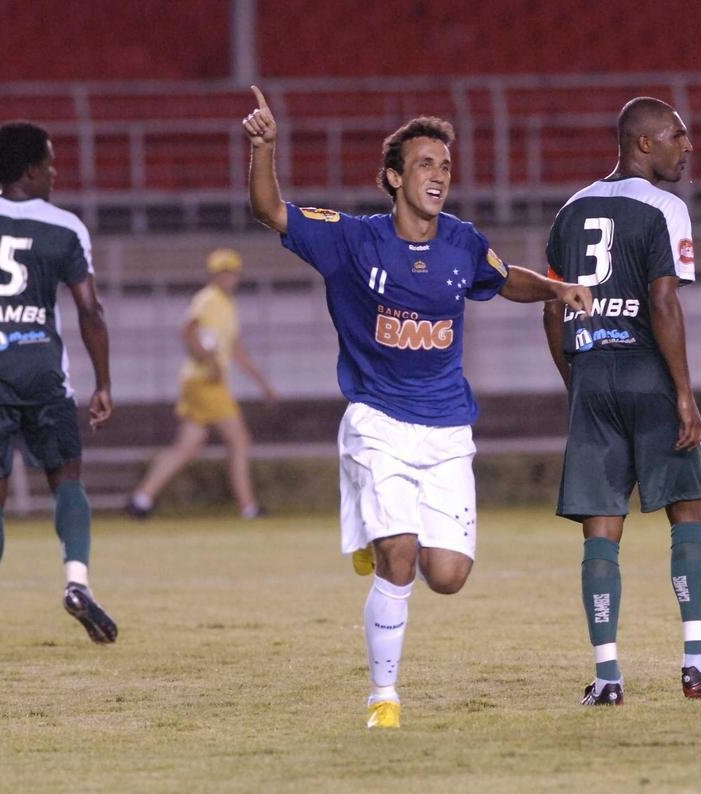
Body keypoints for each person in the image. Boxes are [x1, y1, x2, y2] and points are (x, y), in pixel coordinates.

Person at [243, 86, 590, 729]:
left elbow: (502, 276)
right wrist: (264, 147)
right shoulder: (352, 240)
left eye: (446, 166)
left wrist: (557, 287)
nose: (439, 175)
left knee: (449, 576)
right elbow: (271, 210)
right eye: (426, 164)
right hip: (377, 420)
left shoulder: (461, 243)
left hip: (447, 428)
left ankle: (377, 539)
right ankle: (384, 697)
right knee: (399, 556)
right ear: (395, 177)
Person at [542, 97, 701, 705]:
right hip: (648, 374)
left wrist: (576, 382)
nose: (689, 146)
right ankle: (697, 664)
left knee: (602, 528)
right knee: (688, 510)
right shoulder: (664, 207)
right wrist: (684, 393)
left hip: (592, 371)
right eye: (678, 136)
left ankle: (607, 678)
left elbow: (554, 307)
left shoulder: (570, 209)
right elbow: (663, 303)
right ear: (644, 144)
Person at [0, 120, 118, 650]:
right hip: (46, 378)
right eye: (50, 162)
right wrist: (102, 382)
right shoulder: (65, 227)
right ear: (31, 169)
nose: (55, 171)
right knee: (68, 482)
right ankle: (77, 581)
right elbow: (89, 310)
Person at [126, 247, 277, 519]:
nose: (228, 278)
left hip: (199, 381)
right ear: (214, 275)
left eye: (231, 272)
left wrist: (262, 383)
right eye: (223, 273)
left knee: (187, 448)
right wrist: (209, 361)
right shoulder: (208, 299)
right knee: (240, 441)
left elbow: (236, 350)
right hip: (205, 381)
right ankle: (248, 507)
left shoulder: (227, 305)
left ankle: (141, 500)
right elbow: (187, 330)